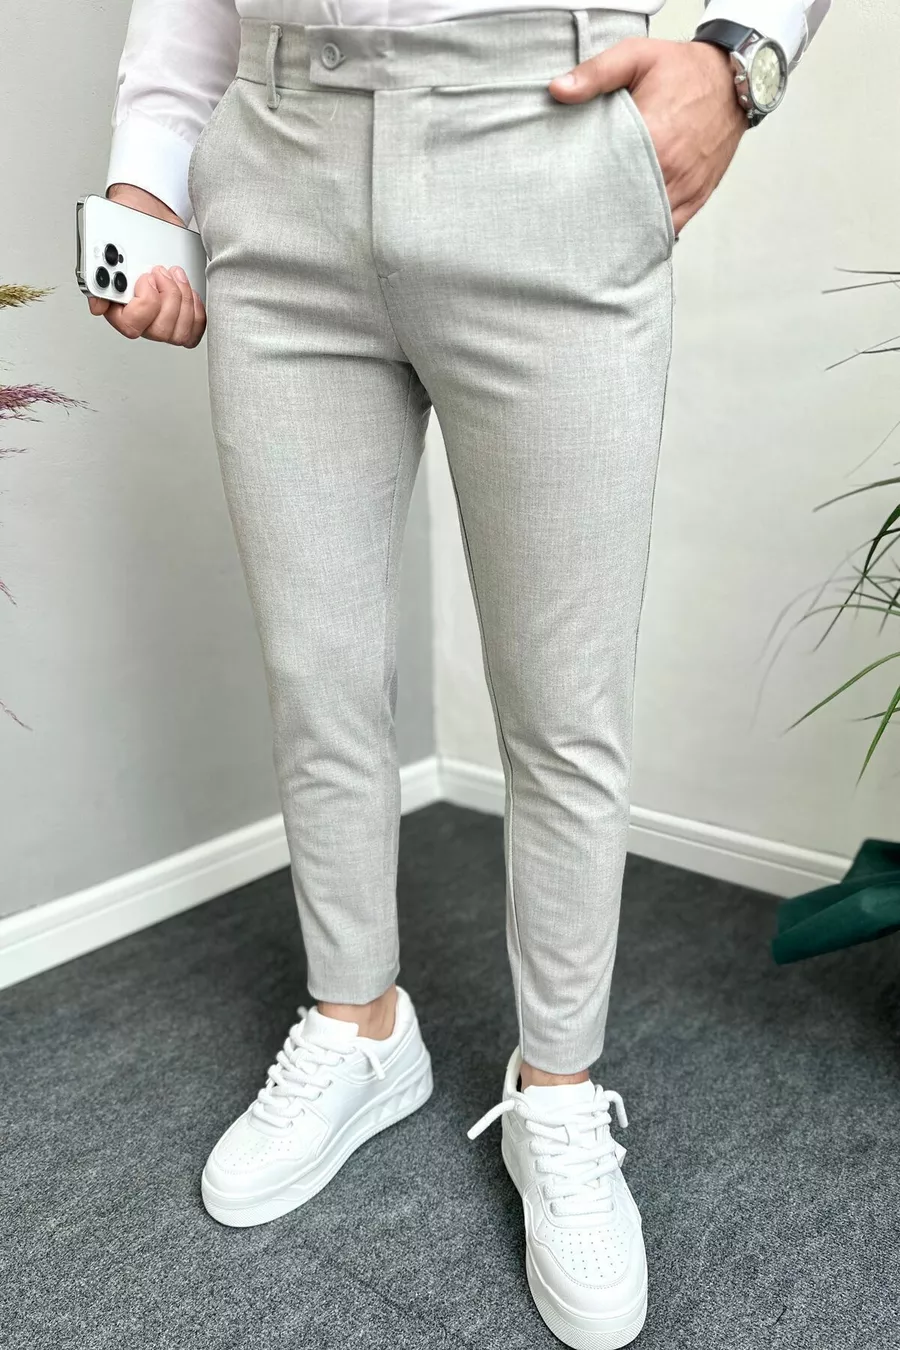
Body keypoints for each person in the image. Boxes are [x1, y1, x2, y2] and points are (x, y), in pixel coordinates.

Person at [89, 2, 831, 1345]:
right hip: (281, 161)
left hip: (542, 138)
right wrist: (148, 170)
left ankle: (559, 1090)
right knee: (317, 671)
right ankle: (360, 1025)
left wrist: (739, 60)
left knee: (562, 699)